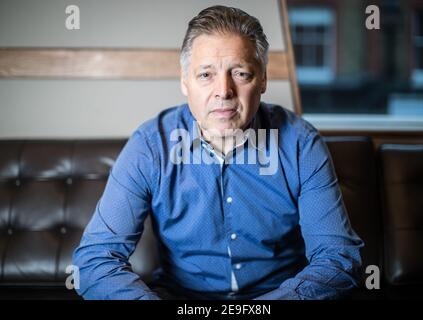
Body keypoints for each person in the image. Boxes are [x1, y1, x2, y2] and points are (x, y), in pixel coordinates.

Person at [72, 5, 364, 300]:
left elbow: (338, 258)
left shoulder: (301, 144)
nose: (223, 91)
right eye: (206, 74)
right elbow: (95, 261)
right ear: (185, 82)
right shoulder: (150, 145)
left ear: (262, 80)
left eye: (240, 73)